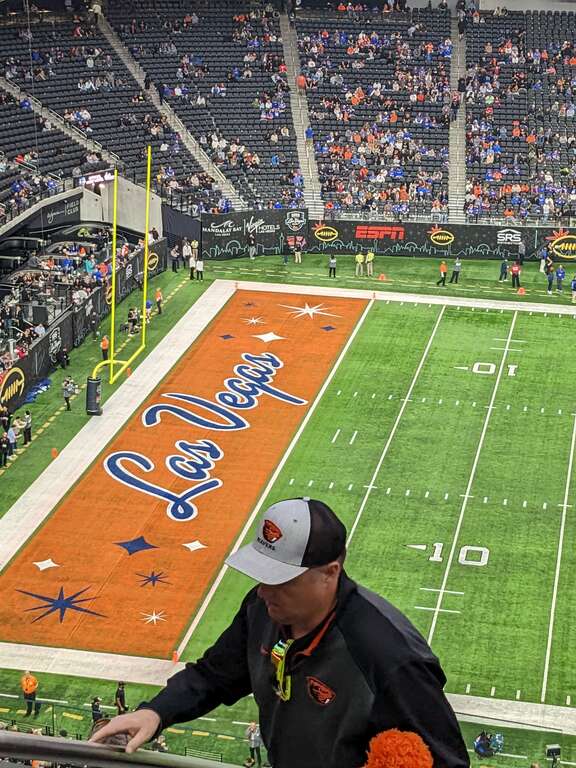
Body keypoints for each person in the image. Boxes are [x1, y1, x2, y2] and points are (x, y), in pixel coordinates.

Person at [91, 498, 469, 768]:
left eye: (280, 579)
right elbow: (215, 675)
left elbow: (446, 759)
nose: (263, 590)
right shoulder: (263, 609)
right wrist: (157, 712)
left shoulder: (388, 654)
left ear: (330, 573)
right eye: (261, 574)